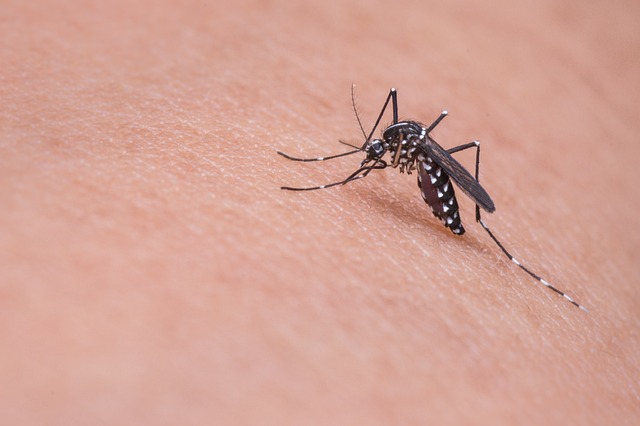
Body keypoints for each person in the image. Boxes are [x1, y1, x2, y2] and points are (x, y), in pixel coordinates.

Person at [2, 0, 638, 424]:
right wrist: (340, 164)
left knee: (451, 155)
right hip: (415, 153)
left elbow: (415, 152)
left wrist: (365, 176)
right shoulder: (391, 138)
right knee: (406, 143)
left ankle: (497, 243)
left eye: (377, 147)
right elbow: (382, 144)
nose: (375, 151)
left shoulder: (416, 145)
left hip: (448, 185)